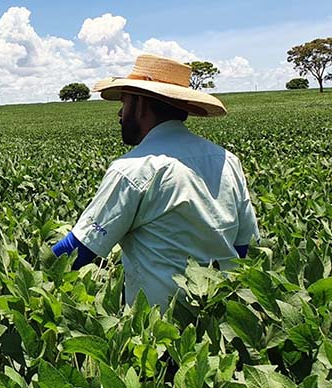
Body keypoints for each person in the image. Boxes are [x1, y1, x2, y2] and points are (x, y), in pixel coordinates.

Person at [52, 54, 259, 308]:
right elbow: (243, 247)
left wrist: (32, 274)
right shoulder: (227, 160)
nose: (119, 113)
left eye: (125, 102)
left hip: (159, 333)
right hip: (222, 324)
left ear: (140, 105)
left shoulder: (132, 169)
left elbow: (78, 251)